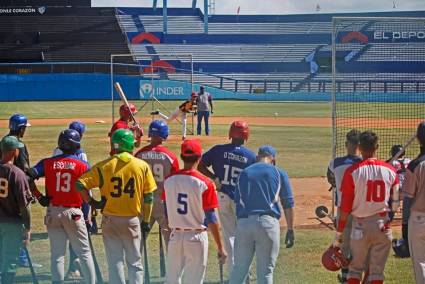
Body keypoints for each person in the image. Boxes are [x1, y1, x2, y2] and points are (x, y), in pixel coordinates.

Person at [77, 129, 157, 284]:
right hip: (132, 220)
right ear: (130, 145)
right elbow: (149, 197)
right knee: (135, 263)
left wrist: (92, 202)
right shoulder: (142, 166)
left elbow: (80, 183)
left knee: (115, 263)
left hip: (110, 220)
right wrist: (146, 221)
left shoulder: (103, 165)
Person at [30, 129, 96, 284]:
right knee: (84, 253)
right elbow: (89, 192)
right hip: (74, 213)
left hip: (53, 212)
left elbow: (29, 176)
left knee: (57, 255)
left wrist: (39, 196)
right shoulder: (83, 165)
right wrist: (91, 211)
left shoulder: (47, 162)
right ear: (75, 146)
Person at [335, 130, 399, 284]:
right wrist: (388, 219)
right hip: (383, 226)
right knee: (376, 273)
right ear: (376, 147)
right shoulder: (390, 170)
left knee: (355, 270)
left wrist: (339, 233)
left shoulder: (352, 172)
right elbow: (396, 202)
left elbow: (345, 208)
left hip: (360, 226)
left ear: (360, 148)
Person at [163, 139, 227, 284]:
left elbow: (167, 210)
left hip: (175, 237)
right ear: (199, 158)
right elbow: (211, 218)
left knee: (171, 280)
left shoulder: (169, 180)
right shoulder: (205, 183)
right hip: (196, 237)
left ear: (181, 157)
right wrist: (220, 247)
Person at [198, 121, 256, 277]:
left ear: (230, 134)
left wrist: (214, 177)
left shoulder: (218, 150)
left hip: (222, 196)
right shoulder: (251, 156)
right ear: (246, 136)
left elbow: (200, 165)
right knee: (244, 236)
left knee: (229, 236)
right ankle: (245, 272)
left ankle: (234, 274)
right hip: (242, 200)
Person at [230, 145, 294, 284]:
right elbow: (288, 203)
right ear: (273, 159)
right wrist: (290, 228)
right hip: (267, 224)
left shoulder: (244, 172)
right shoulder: (279, 172)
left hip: (244, 223)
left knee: (239, 269)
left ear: (257, 156)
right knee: (265, 272)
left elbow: (237, 202)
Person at [52, 121, 94, 280]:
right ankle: (75, 267)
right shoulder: (81, 154)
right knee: (80, 237)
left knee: (59, 246)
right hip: (77, 199)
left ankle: (70, 269)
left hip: (58, 198)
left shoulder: (56, 150)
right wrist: (89, 206)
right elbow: (86, 180)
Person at [3, 113, 43, 268]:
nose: (25, 130)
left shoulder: (4, 141)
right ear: (20, 129)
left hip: (5, 187)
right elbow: (26, 171)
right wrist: (36, 193)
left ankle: (10, 257)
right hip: (18, 187)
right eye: (24, 128)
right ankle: (22, 258)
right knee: (20, 222)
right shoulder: (18, 146)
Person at [135, 120, 179, 248]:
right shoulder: (169, 156)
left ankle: (134, 267)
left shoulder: (139, 154)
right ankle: (173, 267)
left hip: (144, 202)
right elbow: (175, 181)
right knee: (170, 242)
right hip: (163, 203)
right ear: (165, 134)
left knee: (138, 241)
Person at [326, 129, 362, 283]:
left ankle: (346, 277)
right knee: (360, 245)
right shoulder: (364, 163)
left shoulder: (335, 163)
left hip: (343, 210)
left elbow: (330, 179)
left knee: (344, 247)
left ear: (346, 144)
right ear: (359, 146)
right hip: (361, 211)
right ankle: (357, 276)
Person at [0, 136, 32, 283]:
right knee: (10, 259)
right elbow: (24, 206)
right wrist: (28, 228)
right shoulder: (17, 174)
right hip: (11, 224)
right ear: (14, 152)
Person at [404, 121, 425, 283]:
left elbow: (408, 198)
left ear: (418, 139)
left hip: (418, 219)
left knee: (420, 264)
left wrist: (404, 225)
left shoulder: (414, 165)